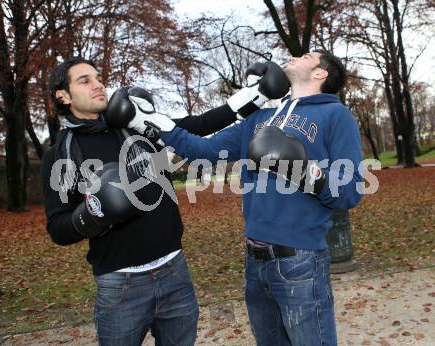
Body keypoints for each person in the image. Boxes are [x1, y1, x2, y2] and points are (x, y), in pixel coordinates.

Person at [41, 56, 289, 345]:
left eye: (98, 78)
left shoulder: (134, 124)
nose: (99, 85)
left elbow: (198, 125)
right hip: (120, 284)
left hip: (175, 271)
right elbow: (58, 228)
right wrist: (93, 212)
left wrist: (255, 96)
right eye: (85, 81)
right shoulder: (60, 155)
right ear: (63, 95)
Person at [128, 50, 364, 345]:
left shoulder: (335, 115)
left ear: (320, 73)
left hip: (300, 260)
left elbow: (350, 192)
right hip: (255, 262)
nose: (294, 56)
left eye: (306, 55)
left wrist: (305, 172)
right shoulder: (261, 118)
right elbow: (205, 151)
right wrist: (153, 123)